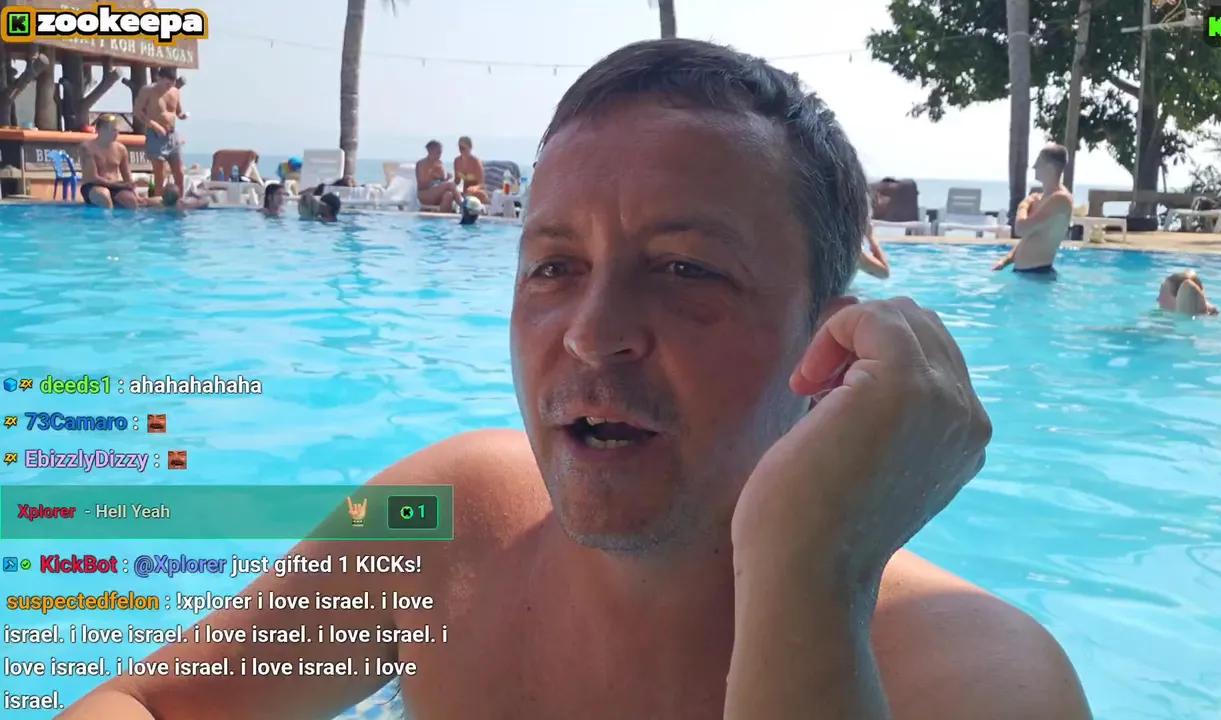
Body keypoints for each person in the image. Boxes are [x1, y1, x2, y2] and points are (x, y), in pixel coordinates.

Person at [59, 39, 1089, 720]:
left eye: (685, 270)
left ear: (831, 349)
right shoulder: (446, 530)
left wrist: (809, 572)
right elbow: (147, 704)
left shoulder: (973, 679)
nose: (593, 336)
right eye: (554, 267)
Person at [992, 143, 1074, 275]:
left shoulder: (1060, 199)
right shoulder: (1042, 198)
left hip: (1038, 275)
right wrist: (1005, 261)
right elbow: (1030, 237)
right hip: (1026, 274)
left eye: (1038, 163)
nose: (1034, 167)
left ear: (1049, 168)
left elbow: (1020, 229)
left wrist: (1023, 204)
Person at [134, 66, 186, 193]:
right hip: (155, 135)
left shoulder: (175, 91)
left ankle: (180, 200)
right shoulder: (148, 91)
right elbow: (137, 111)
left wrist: (182, 115)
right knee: (160, 174)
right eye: (167, 84)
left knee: (179, 172)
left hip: (172, 135)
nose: (169, 87)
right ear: (158, 78)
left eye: (172, 84)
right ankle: (159, 201)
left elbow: (177, 111)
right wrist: (154, 125)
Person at [79, 114, 140, 209]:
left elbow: (126, 174)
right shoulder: (87, 148)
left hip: (115, 186)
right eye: (113, 130)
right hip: (93, 186)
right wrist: (117, 185)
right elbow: (92, 178)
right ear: (101, 130)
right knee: (104, 195)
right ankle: (108, 218)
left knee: (131, 201)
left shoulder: (121, 149)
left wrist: (133, 191)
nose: (116, 133)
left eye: (117, 130)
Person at [416, 139, 464, 211]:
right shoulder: (421, 164)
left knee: (448, 195)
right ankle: (463, 205)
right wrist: (432, 172)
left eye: (440, 153)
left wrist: (446, 178)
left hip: (437, 193)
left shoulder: (439, 163)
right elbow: (422, 185)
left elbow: (442, 180)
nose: (439, 155)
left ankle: (442, 217)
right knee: (450, 185)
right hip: (425, 194)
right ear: (430, 151)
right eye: (438, 152)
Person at [453, 135, 490, 205]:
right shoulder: (457, 161)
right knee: (449, 194)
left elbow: (482, 184)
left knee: (480, 195)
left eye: (463, 148)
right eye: (460, 147)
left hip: (477, 191)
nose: (461, 150)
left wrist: (474, 188)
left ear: (470, 148)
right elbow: (457, 181)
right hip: (465, 192)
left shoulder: (475, 162)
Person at [144, 183, 210, 212]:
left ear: (163, 197)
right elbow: (206, 200)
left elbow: (143, 200)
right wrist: (195, 195)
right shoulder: (184, 204)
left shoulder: (158, 203)